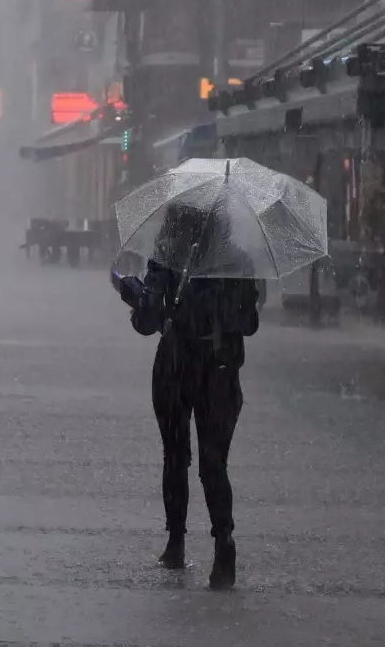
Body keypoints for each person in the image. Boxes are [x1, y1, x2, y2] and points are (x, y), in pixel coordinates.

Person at [119, 203, 261, 590]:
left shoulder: (168, 259)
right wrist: (221, 311)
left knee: (176, 455)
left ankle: (176, 542)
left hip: (176, 366)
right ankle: (223, 542)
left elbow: (147, 322)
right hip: (221, 372)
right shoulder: (240, 262)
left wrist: (134, 296)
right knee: (214, 464)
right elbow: (250, 325)